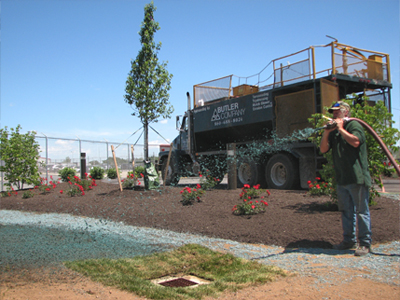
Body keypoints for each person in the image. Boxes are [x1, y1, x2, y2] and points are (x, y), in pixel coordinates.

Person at [320, 101, 372, 256]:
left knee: (362, 211)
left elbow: (356, 142)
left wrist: (341, 128)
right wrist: (327, 132)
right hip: (342, 179)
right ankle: (348, 241)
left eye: (338, 112)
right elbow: (323, 149)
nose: (334, 114)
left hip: (357, 177)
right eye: (333, 112)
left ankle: (364, 244)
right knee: (346, 211)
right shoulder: (334, 131)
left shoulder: (354, 126)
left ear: (346, 112)